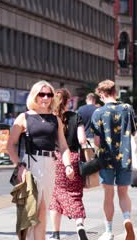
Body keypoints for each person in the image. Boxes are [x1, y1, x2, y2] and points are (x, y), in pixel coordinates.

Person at [7, 80, 74, 240]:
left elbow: (63, 146)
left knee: (43, 210)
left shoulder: (54, 119)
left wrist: (68, 165)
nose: (45, 98)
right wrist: (19, 165)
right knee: (29, 212)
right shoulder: (24, 117)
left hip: (49, 164)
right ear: (34, 96)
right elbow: (10, 145)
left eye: (49, 94)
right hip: (30, 164)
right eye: (41, 94)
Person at [91, 80, 136, 240]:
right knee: (123, 193)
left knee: (108, 195)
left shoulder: (98, 113)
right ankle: (127, 219)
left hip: (106, 158)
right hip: (125, 158)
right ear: (115, 92)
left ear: (102, 94)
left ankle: (109, 231)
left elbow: (96, 141)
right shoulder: (127, 109)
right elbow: (133, 133)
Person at [49, 88, 88, 240]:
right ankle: (79, 224)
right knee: (75, 194)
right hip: (72, 158)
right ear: (68, 101)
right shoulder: (76, 117)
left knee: (55, 197)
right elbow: (82, 140)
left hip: (55, 159)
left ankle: (55, 233)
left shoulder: (51, 118)